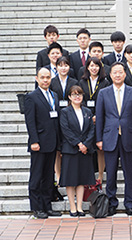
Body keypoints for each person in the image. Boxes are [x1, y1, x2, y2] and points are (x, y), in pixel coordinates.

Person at [96, 62, 132, 216]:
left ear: (125, 74)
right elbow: (100, 117)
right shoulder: (103, 93)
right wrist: (99, 139)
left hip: (129, 137)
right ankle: (112, 203)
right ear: (110, 75)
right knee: (110, 173)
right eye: (114, 72)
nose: (117, 75)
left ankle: (129, 203)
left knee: (130, 173)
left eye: (120, 72)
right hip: (109, 137)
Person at [24, 68, 62, 219]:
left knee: (48, 176)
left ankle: (47, 206)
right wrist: (34, 140)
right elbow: (30, 121)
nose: (45, 80)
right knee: (36, 176)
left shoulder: (54, 95)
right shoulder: (31, 97)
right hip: (38, 143)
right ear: (37, 78)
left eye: (48, 77)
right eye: (42, 77)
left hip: (52, 143)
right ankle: (36, 207)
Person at [59, 85, 96, 217]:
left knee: (81, 179)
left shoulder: (87, 111)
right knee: (70, 180)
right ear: (69, 97)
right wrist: (79, 144)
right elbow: (66, 130)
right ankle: (72, 207)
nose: (77, 97)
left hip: (85, 150)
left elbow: (92, 129)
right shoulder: (65, 112)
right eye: (74, 94)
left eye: (79, 94)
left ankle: (80, 207)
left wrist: (85, 144)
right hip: (71, 150)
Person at [79, 57, 110, 183]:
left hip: (100, 119)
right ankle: (88, 175)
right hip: (86, 119)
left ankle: (101, 175)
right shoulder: (82, 82)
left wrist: (98, 115)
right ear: (87, 67)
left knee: (100, 149)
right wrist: (88, 116)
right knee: (88, 148)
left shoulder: (105, 82)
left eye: (96, 66)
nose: (94, 68)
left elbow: (107, 101)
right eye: (91, 65)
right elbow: (80, 99)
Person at [50, 56, 79, 183]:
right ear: (56, 67)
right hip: (55, 116)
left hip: (70, 116)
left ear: (69, 67)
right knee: (57, 148)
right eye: (60, 65)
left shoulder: (74, 81)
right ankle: (58, 175)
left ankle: (69, 174)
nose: (63, 68)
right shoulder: (51, 81)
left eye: (66, 65)